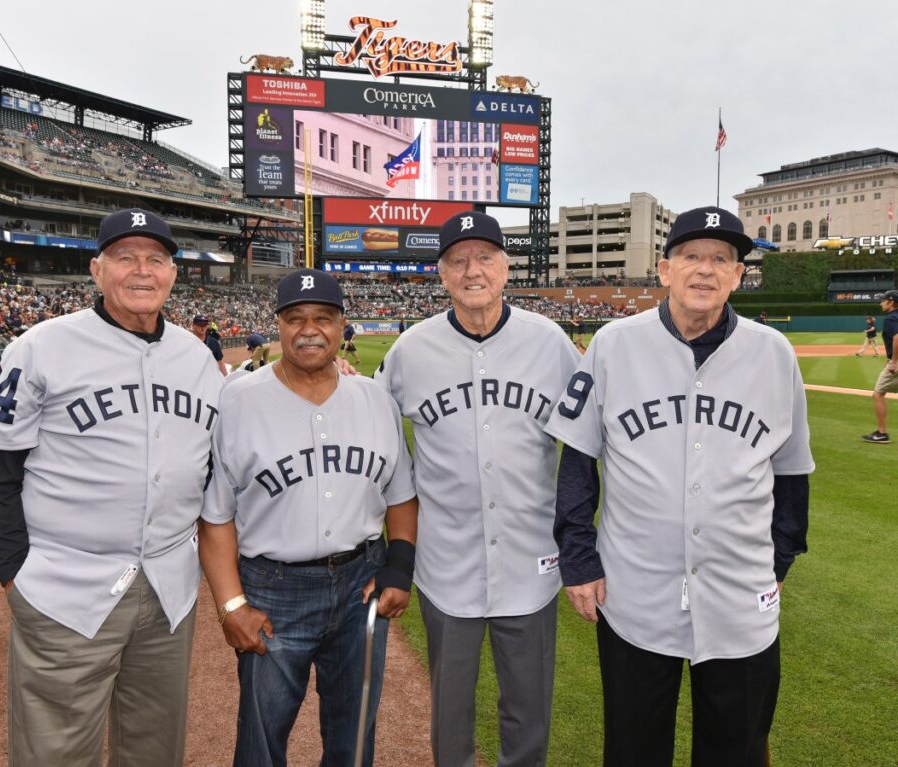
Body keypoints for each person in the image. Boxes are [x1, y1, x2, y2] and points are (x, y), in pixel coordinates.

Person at [546, 206, 814, 766]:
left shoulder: (773, 353)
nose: (706, 270)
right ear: (665, 269)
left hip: (741, 591)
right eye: (691, 256)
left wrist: (780, 560)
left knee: (736, 750)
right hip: (634, 589)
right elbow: (577, 461)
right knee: (634, 749)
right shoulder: (614, 344)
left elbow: (792, 472)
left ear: (740, 275)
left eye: (722, 259)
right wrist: (578, 559)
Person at [0, 208, 223, 766]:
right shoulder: (41, 347)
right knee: (54, 754)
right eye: (125, 257)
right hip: (65, 582)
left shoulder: (197, 358)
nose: (142, 271)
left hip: (168, 589)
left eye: (156, 259)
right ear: (97, 269)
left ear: (173, 274)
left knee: (155, 749)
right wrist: (14, 572)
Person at [375, 211, 580, 767]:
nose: (473, 270)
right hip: (447, 563)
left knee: (528, 712)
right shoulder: (410, 351)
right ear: (442, 274)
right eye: (459, 260)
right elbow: (377, 440)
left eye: (485, 256)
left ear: (505, 266)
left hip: (531, 560)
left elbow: (588, 440)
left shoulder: (550, 343)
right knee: (450, 715)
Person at [199, 268, 417, 767]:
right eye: (294, 318)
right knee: (261, 741)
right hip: (273, 587)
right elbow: (215, 518)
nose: (309, 328)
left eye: (323, 317)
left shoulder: (376, 401)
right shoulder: (240, 400)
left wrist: (399, 567)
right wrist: (231, 606)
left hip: (362, 577)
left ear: (342, 326)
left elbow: (401, 496)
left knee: (354, 736)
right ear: (278, 325)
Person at [861, 290, 898, 443]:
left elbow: (897, 338)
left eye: (883, 300)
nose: (881, 303)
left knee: (878, 394)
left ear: (891, 302)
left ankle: (882, 433)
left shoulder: (891, 318)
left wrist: (894, 361)